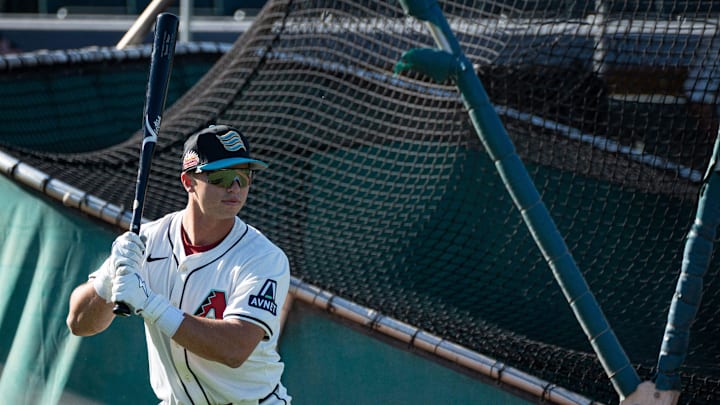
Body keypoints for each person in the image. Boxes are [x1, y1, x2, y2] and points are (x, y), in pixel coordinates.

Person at [66, 124, 292, 405]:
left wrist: (150, 304)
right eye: (221, 176)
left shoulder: (264, 258)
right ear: (189, 182)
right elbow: (79, 323)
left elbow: (235, 349)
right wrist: (109, 277)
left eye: (243, 176)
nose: (235, 187)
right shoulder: (149, 240)